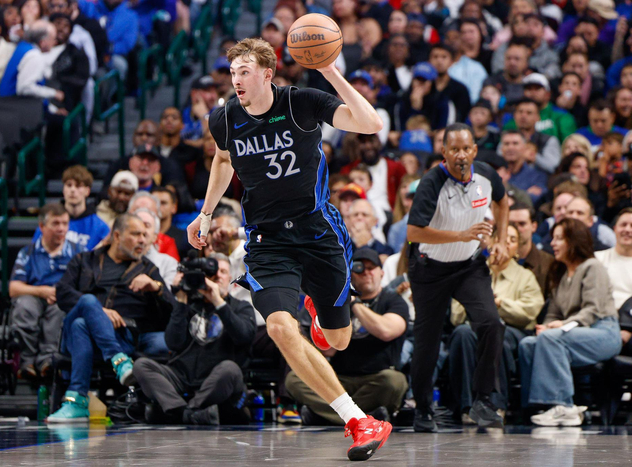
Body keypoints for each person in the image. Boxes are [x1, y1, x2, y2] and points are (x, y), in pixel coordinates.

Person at [187, 37, 391, 461]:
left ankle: (317, 308)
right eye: (233, 72)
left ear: (267, 74)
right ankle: (359, 420)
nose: (236, 80)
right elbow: (223, 160)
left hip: (318, 233)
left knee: (338, 340)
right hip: (267, 240)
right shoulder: (224, 118)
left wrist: (330, 71)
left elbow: (370, 123)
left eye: (245, 72)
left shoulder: (301, 103)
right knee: (280, 328)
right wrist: (204, 215)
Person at [407, 122, 510, 431]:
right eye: (454, 149)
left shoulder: (486, 175)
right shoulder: (431, 182)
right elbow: (414, 233)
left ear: (475, 150)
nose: (461, 155)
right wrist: (461, 234)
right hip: (430, 269)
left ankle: (483, 400)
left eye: (466, 148)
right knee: (427, 341)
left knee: (491, 323)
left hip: (469, 266)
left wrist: (501, 240)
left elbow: (503, 201)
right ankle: (423, 409)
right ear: (444, 152)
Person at [47, 213, 173, 422]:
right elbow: (62, 293)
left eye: (145, 235)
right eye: (136, 234)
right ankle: (120, 362)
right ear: (117, 236)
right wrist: (100, 311)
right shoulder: (84, 260)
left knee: (81, 324)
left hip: (121, 336)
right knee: (88, 302)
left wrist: (157, 288)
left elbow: (173, 313)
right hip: (79, 340)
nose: (143, 240)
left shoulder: (148, 270)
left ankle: (76, 402)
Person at [286, 248, 409, 425]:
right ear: (350, 274)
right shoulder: (336, 302)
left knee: (395, 381)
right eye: (359, 268)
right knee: (294, 379)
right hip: (339, 378)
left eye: (371, 268)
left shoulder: (393, 300)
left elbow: (386, 331)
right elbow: (327, 350)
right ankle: (362, 417)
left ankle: (325, 416)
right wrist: (336, 306)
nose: (366, 273)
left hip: (376, 378)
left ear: (381, 273)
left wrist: (354, 303)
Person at [519, 218, 621, 426]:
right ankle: (539, 406)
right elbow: (553, 313)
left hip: (604, 331)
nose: (553, 243)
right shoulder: (561, 274)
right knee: (528, 344)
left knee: (551, 338)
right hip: (573, 333)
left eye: (559, 239)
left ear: (574, 241)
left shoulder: (593, 267)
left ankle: (564, 406)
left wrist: (562, 326)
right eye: (553, 238)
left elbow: (592, 310)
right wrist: (547, 326)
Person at [134, 254, 256, 425]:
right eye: (211, 273)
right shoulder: (188, 305)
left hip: (218, 379)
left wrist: (218, 302)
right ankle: (189, 413)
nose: (217, 276)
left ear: (230, 277)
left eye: (222, 272)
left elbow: (244, 337)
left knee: (230, 369)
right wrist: (180, 301)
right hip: (182, 376)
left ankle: (178, 412)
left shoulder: (241, 307)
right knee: (141, 365)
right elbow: (173, 343)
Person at [449, 224, 544, 424]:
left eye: (512, 240)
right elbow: (456, 315)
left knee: (495, 332)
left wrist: (499, 304)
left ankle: (494, 405)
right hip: (473, 327)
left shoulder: (525, 276)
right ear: (491, 242)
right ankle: (468, 406)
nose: (506, 243)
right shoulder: (471, 272)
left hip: (513, 330)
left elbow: (530, 311)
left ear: (517, 249)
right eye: (501, 237)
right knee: (462, 333)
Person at [9, 203, 83, 379]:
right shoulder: (28, 252)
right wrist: (42, 291)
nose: (61, 229)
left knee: (60, 310)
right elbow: (14, 288)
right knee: (25, 307)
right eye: (56, 223)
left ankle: (49, 361)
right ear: (42, 226)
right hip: (34, 295)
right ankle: (26, 362)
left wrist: (61, 294)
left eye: (65, 223)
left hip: (62, 299)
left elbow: (84, 285)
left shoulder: (78, 253)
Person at [33, 166, 110, 250]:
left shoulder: (100, 227)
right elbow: (34, 252)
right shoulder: (49, 223)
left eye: (78, 186)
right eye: (69, 185)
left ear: (87, 191)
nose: (72, 190)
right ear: (63, 189)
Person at [0, 20, 64, 101]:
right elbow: (25, 88)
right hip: (14, 103)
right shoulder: (34, 56)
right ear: (43, 42)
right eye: (53, 39)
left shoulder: (23, 46)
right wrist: (54, 93)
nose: (55, 42)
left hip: (5, 101)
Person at [595, 208, 632, 351]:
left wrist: (628, 328)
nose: (627, 230)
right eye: (623, 225)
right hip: (600, 320)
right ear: (615, 229)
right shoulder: (596, 259)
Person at [508, 202, 554, 295]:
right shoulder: (495, 261)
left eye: (522, 224)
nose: (517, 229)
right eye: (512, 224)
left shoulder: (548, 263)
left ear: (534, 226)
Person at [132, 207, 178, 291]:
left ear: (155, 236)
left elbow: (169, 296)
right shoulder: (118, 259)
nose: (141, 230)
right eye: (137, 225)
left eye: (146, 225)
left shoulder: (168, 263)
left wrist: (155, 286)